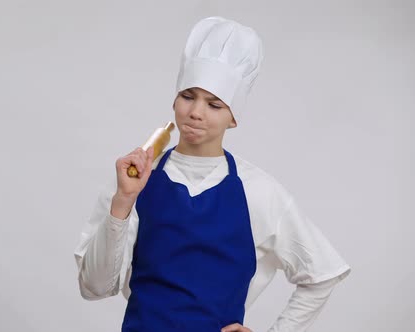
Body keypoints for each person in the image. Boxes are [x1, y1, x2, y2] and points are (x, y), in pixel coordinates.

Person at [74, 16, 350, 332]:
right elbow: (94, 287)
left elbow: (322, 274)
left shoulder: (258, 191)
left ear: (233, 117)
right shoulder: (135, 180)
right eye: (188, 96)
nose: (195, 112)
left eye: (214, 104)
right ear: (175, 99)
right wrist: (123, 200)